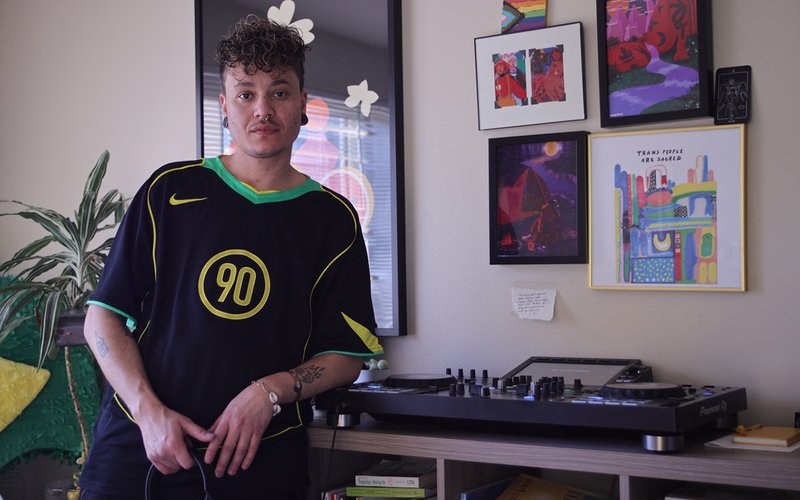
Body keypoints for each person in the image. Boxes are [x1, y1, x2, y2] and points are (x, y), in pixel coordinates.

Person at [78, 15, 383, 500]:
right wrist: (148, 411)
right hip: (140, 450)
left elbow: (347, 355)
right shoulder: (169, 191)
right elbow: (102, 319)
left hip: (261, 459)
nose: (263, 109)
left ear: (303, 102)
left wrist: (269, 391)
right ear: (224, 105)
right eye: (246, 94)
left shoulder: (332, 219)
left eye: (279, 92)